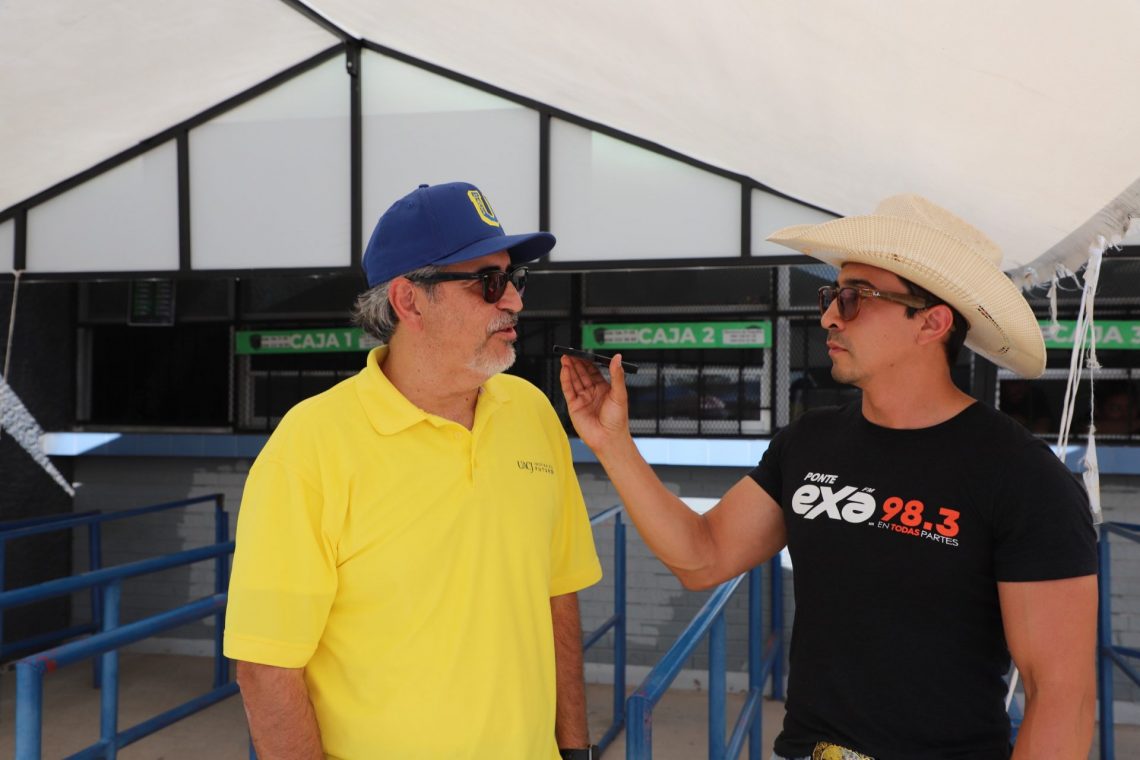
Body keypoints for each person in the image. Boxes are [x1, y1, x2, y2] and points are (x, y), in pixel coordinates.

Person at [561, 195, 1097, 760]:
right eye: (832, 296)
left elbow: (1061, 696)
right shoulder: (809, 442)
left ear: (932, 322)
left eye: (855, 297)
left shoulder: (1022, 476)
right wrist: (613, 444)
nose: (830, 317)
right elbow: (703, 556)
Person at [225, 181, 603, 759]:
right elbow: (266, 667)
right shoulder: (310, 446)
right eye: (489, 281)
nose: (514, 301)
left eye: (516, 278)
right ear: (409, 300)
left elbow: (558, 594)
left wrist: (574, 750)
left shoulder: (531, 412)